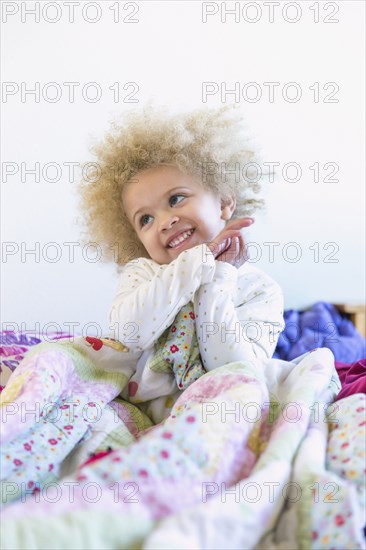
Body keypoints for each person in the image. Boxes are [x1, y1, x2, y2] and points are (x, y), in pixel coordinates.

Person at [0, 106, 285, 493]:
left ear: (223, 203)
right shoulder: (143, 274)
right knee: (59, 369)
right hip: (137, 412)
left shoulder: (257, 290)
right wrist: (196, 263)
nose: (164, 220)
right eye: (145, 219)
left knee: (246, 404)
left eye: (176, 198)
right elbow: (130, 333)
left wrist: (218, 275)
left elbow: (232, 368)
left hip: (211, 413)